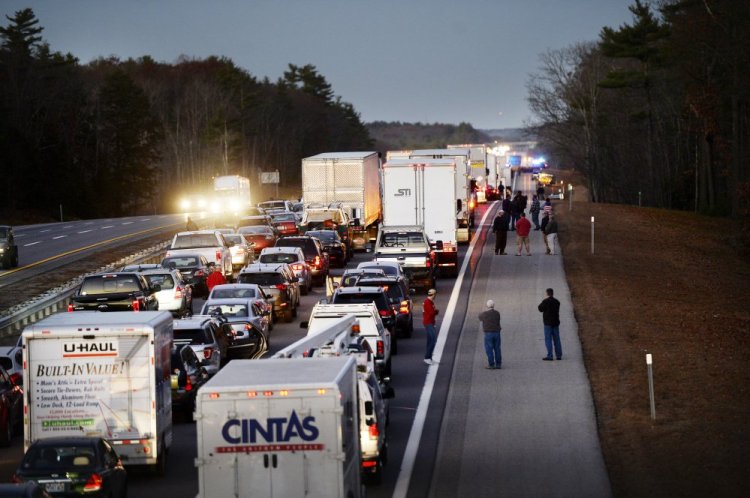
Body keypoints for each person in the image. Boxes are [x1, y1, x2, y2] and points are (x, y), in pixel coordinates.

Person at [538, 288, 562, 360]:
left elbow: (540, 309)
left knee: (548, 339)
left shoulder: (545, 301)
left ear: (547, 293)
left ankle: (550, 355)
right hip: (555, 322)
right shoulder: (557, 302)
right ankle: (559, 355)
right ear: (553, 293)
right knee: (557, 339)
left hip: (547, 323)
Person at [478, 299, 502, 369]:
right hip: (497, 333)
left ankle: (491, 364)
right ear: (494, 306)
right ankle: (498, 364)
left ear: (487, 306)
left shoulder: (484, 314)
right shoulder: (497, 313)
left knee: (489, 349)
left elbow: (479, 317)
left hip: (488, 333)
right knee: (497, 348)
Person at [422, 288, 439, 365]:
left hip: (430, 322)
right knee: (433, 340)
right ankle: (427, 357)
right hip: (428, 323)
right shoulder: (428, 302)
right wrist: (436, 311)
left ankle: (429, 358)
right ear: (433, 294)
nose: (435, 296)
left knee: (430, 340)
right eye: (435, 294)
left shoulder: (429, 302)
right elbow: (431, 312)